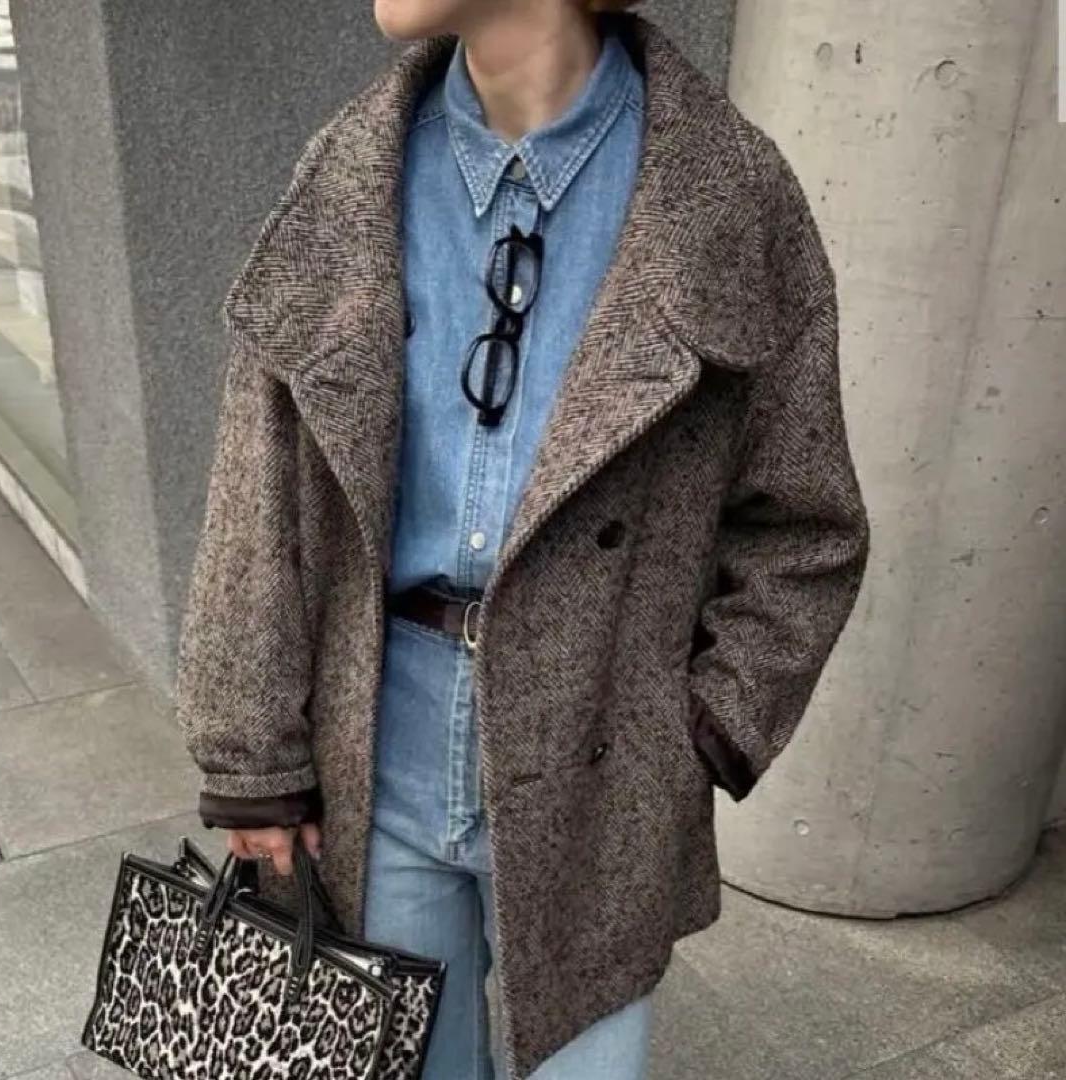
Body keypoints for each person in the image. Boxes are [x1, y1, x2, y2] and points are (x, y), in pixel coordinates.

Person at [174, 1, 871, 1078]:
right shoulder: (350, 173)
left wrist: (698, 733)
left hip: (602, 764)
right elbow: (261, 495)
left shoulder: (726, 192)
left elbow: (806, 522)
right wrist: (252, 756)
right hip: (379, 757)